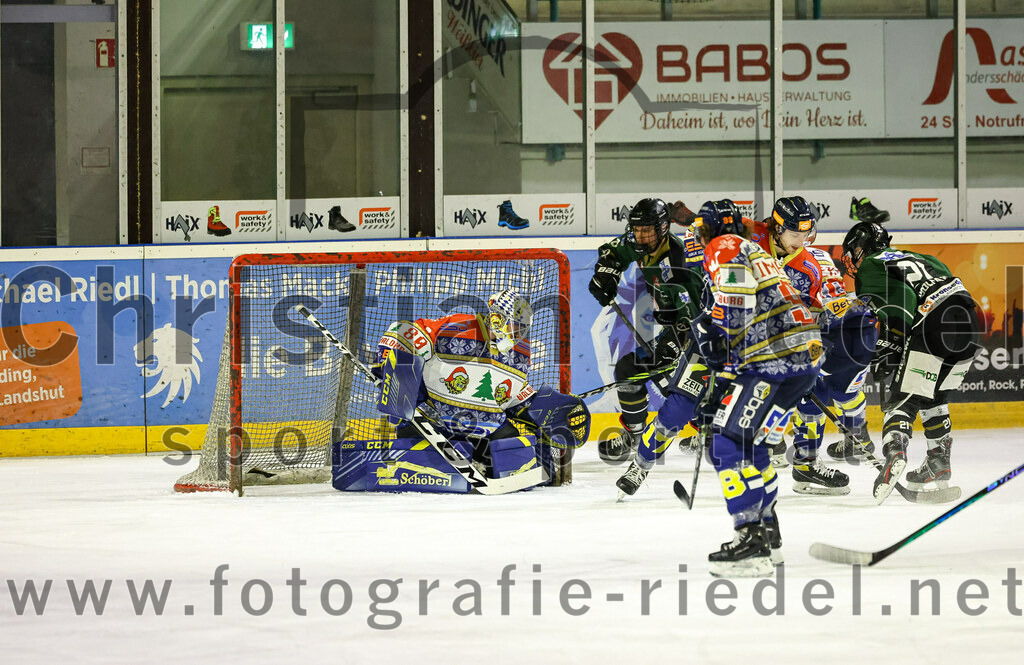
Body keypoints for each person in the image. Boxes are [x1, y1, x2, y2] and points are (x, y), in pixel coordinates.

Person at [677, 200, 824, 576]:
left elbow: (737, 308)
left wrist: (721, 368)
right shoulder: (756, 250)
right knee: (754, 445)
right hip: (802, 362)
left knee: (726, 444)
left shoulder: (723, 246)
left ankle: (750, 540)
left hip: (773, 360)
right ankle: (768, 536)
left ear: (708, 229)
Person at [375, 289, 589, 482]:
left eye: (523, 329)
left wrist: (537, 408)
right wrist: (393, 355)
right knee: (429, 465)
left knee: (524, 459)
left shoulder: (520, 354)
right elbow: (404, 331)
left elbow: (511, 395)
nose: (519, 334)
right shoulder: (455, 329)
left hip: (488, 428)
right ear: (497, 319)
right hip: (434, 423)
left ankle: (484, 463)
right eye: (515, 326)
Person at [841, 222, 981, 502]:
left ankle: (895, 453)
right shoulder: (922, 258)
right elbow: (949, 287)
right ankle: (938, 464)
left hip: (933, 323)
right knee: (933, 396)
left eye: (855, 249)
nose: (854, 257)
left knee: (903, 398)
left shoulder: (870, 264)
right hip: (970, 323)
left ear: (862, 247)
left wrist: (891, 343)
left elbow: (901, 299)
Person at [588, 198, 704, 462]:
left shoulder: (677, 264)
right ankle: (635, 435)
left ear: (663, 228)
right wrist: (606, 272)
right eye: (636, 229)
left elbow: (693, 317)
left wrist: (676, 347)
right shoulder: (641, 242)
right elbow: (613, 252)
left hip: (700, 333)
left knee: (677, 383)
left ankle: (710, 430)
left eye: (647, 230)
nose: (640, 236)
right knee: (629, 371)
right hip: (675, 326)